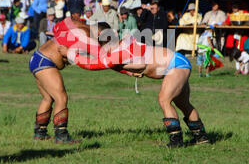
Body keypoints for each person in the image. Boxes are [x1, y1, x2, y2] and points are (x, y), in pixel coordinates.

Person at [56, 20, 210, 148]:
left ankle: (176, 141)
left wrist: (69, 54)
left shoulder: (118, 52)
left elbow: (93, 65)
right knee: (183, 104)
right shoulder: (122, 46)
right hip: (177, 62)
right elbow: (117, 64)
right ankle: (201, 138)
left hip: (175, 64)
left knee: (164, 100)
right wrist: (129, 71)